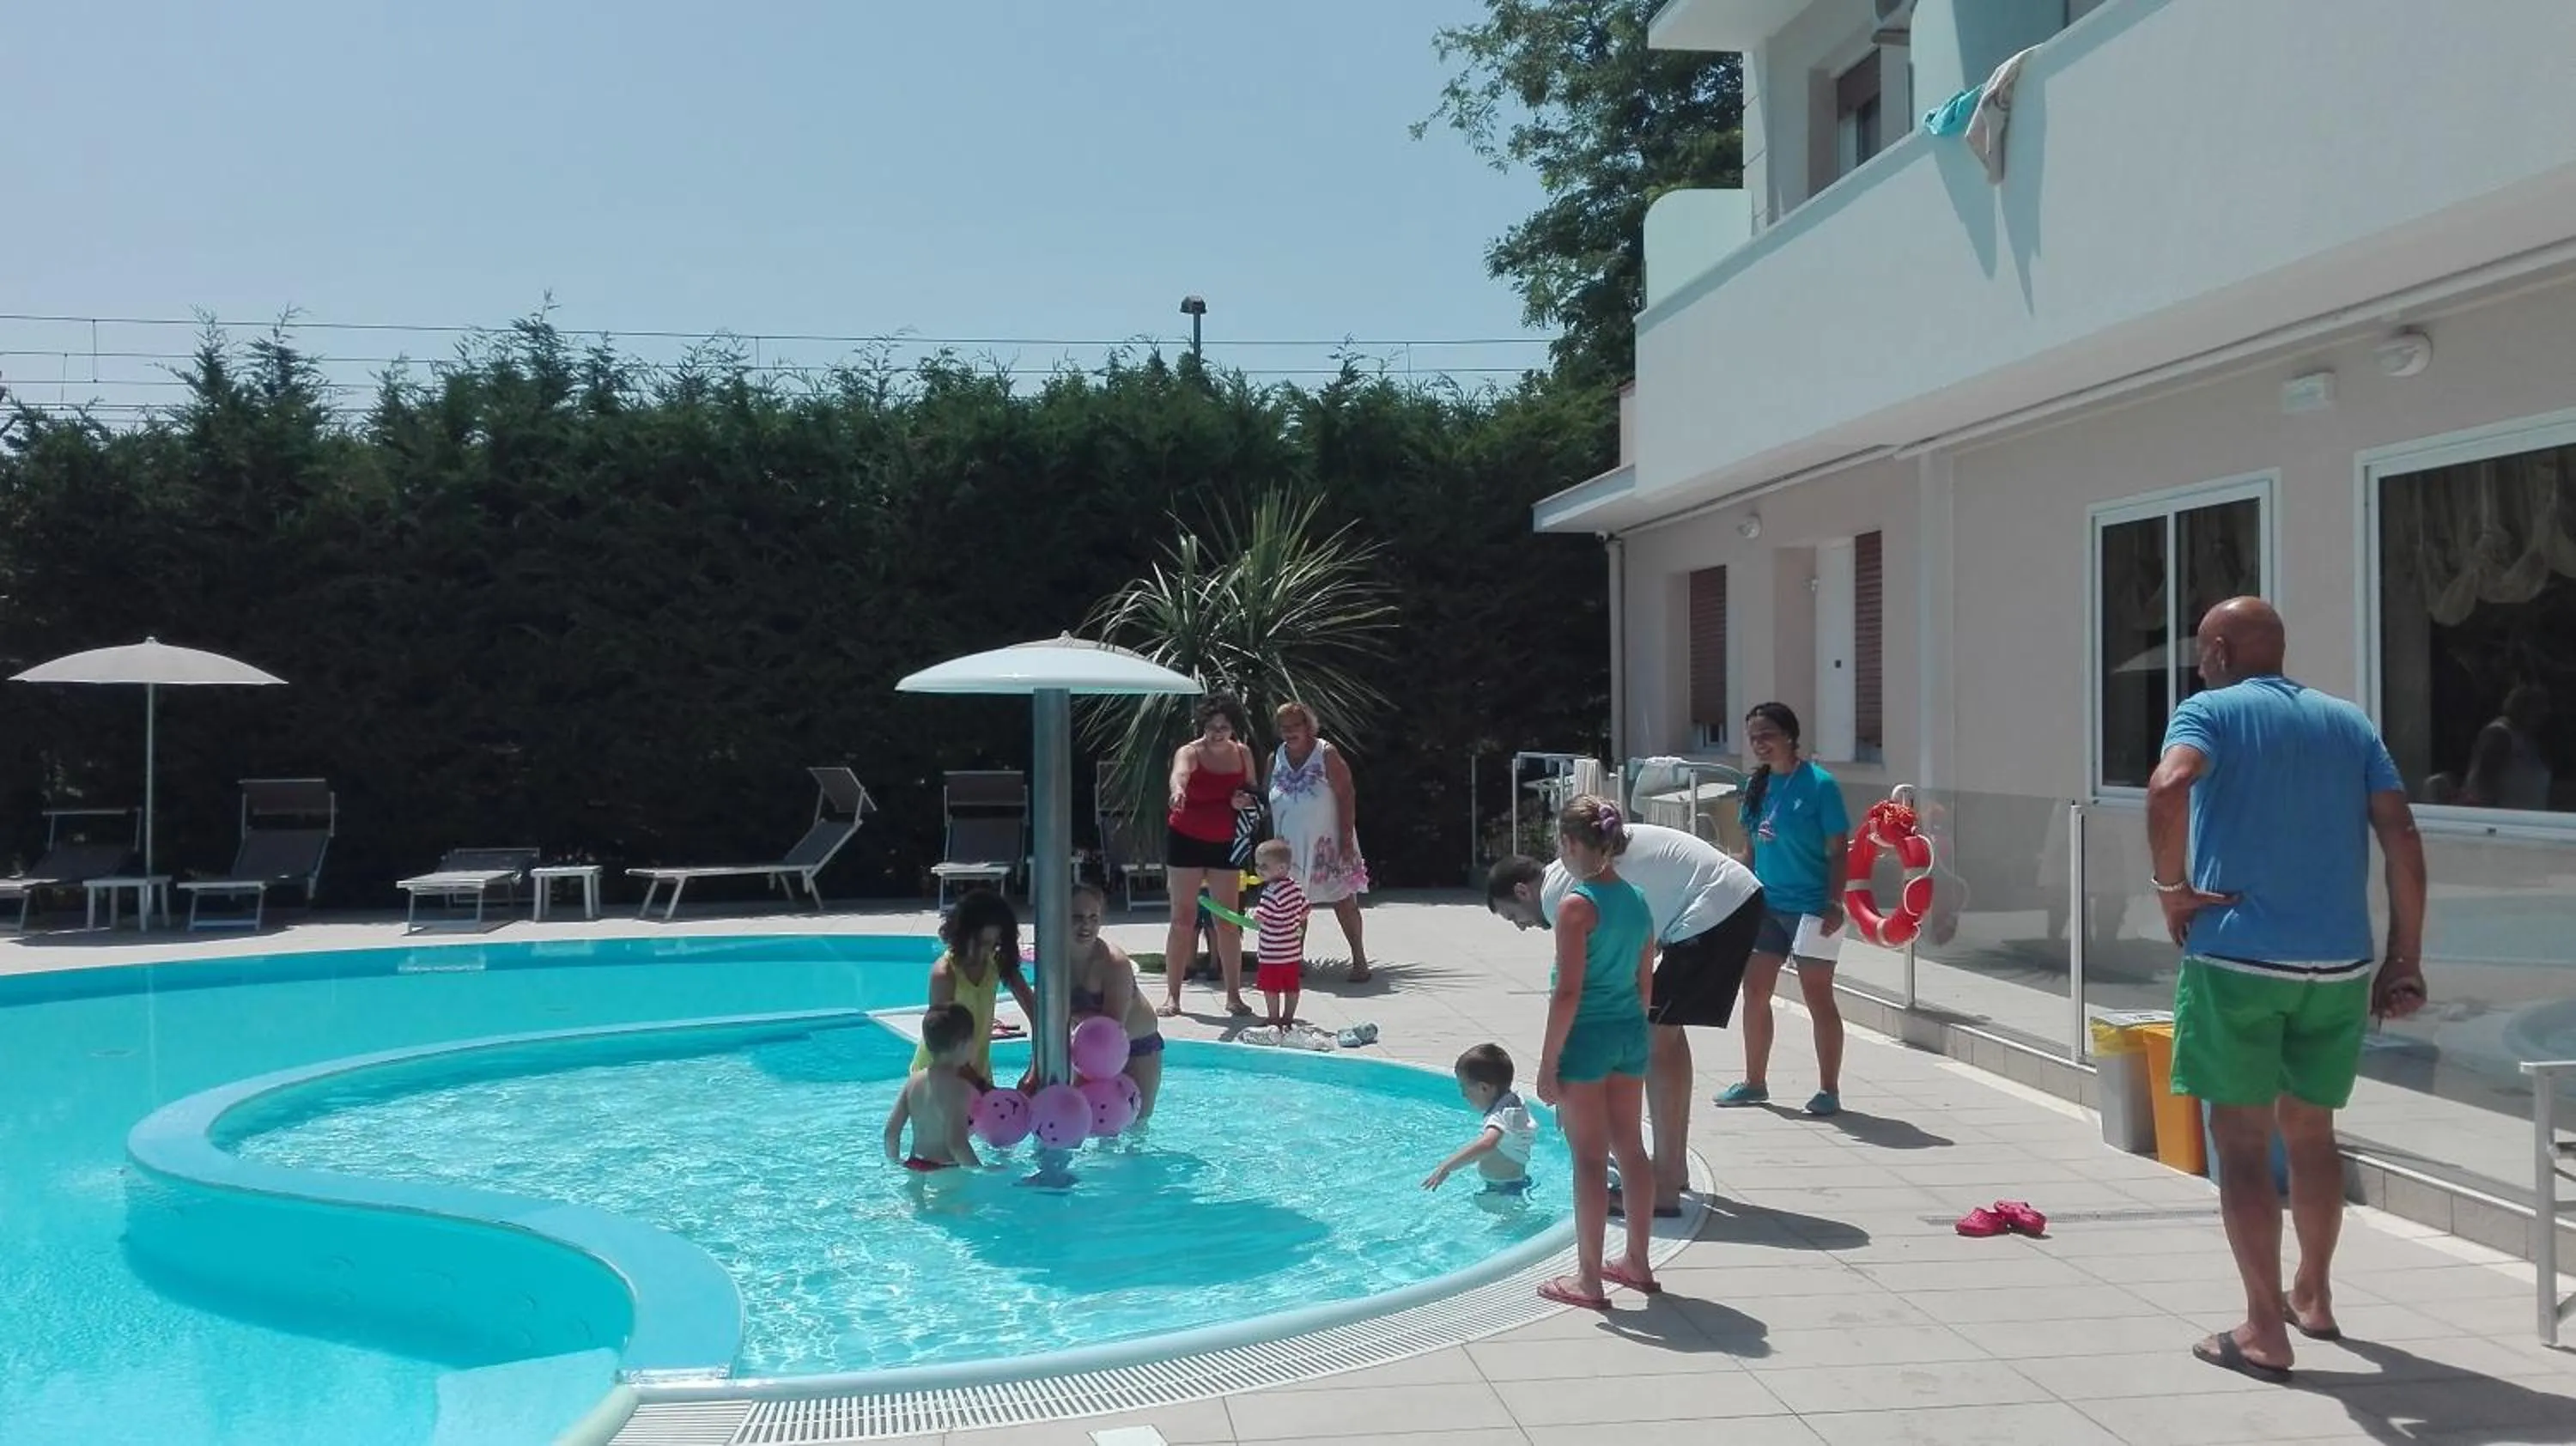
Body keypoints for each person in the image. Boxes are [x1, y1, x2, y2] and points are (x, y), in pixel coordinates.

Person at [2148, 597, 2427, 1384]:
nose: (2199, 664)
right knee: (2312, 1134)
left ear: (2223, 650)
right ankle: (2315, 1293)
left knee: (2240, 1142)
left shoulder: (2206, 712)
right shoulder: (2348, 722)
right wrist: (2403, 957)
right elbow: (2401, 834)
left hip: (2238, 960)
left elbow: (2168, 787)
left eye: (2203, 650)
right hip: (2337, 965)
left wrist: (2171, 888)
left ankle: (2264, 1329)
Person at [1486, 820, 1764, 1218]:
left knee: (1658, 1036)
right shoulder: (1570, 872)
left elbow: (1572, 990)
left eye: (1514, 916)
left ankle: (1665, 1185)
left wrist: (1560, 1067)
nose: (1522, 927)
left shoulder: (1560, 895)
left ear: (1521, 890)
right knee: (1663, 1031)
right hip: (1730, 898)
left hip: (1716, 906)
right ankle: (1672, 1170)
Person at [1532, 794, 1660, 1309]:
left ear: (1568, 843)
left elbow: (1568, 992)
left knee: (1588, 1158)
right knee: (1630, 1148)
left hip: (1587, 1037)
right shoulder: (1638, 899)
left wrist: (1547, 1065)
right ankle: (1638, 1263)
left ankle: (1589, 1279)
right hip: (1630, 1031)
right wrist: (1635, 1029)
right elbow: (1644, 981)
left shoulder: (1575, 905)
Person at [1717, 702, 1852, 1117]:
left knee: (1818, 998)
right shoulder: (1756, 786)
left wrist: (1834, 902)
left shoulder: (1819, 785)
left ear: (1790, 737)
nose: (1760, 743)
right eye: (1754, 736)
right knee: (1755, 992)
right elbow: (1751, 850)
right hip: (1768, 908)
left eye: (1767, 735)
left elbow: (1838, 850)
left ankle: (1829, 1089)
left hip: (1813, 909)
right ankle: (1755, 1082)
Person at [1162, 694, 1260, 1018]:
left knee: (1227, 921)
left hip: (1225, 841)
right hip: (1186, 838)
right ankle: (1173, 997)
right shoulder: (1190, 752)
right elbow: (1180, 774)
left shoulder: (1243, 753)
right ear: (1202, 726)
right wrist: (1178, 791)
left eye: (1224, 727)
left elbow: (1253, 792)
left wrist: (1243, 800)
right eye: (1211, 727)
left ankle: (1234, 996)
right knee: (1182, 919)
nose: (1217, 733)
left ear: (1233, 728)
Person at [1266, 702, 1371, 981]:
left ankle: (1360, 960)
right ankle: (1294, 960)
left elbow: (1347, 795)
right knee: (1293, 905)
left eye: (1295, 726)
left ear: (1308, 726)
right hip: (1289, 848)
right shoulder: (1275, 757)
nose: (1290, 733)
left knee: (1343, 900)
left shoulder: (1326, 753)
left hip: (1330, 843)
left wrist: (1346, 840)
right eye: (1284, 728)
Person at [914, 889, 1040, 1091]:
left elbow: (1037, 1015)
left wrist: (1034, 1070)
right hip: (937, 1078)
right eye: (980, 943)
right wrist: (986, 1089)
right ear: (961, 935)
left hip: (978, 1074)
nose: (984, 952)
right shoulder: (945, 974)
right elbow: (944, 1044)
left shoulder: (996, 962)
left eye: (993, 944)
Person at [1067, 883, 1167, 1123]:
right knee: (1079, 1117)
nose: (1087, 925)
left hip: (1137, 1045)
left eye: (1094, 917)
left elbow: (1111, 1031)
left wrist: (1072, 1017)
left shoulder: (1114, 962)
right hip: (1088, 1046)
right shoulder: (1053, 958)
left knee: (1137, 1124)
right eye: (1077, 917)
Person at [1423, 1042, 1537, 1195]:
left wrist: (1447, 1166)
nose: (1463, 1095)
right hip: (1511, 1184)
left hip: (1502, 1191)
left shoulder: (1499, 1116)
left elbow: (1488, 1143)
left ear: (1484, 1088)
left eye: (1464, 1088)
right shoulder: (1514, 1100)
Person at [884, 1001, 983, 1174]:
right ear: (963, 1045)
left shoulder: (913, 1081)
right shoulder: (958, 1088)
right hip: (945, 1171)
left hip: (914, 1164)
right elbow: (956, 1144)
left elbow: (891, 1133)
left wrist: (895, 1163)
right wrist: (981, 1171)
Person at [2460, 683, 2552, 811]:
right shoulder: (2498, 736)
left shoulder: (2529, 739)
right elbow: (2480, 787)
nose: (2546, 712)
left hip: (2529, 822)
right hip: (2503, 824)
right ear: (2522, 707)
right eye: (2539, 706)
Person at [1251, 838, 1309, 1030]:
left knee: (1271, 988)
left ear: (1282, 867)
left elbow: (1260, 917)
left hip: (1272, 953)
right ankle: (1288, 1017)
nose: (1260, 870)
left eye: (1265, 866)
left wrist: (1252, 917)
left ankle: (1274, 1018)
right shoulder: (1295, 887)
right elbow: (1306, 911)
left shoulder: (1271, 892)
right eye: (1258, 865)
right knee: (1292, 986)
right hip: (1292, 950)